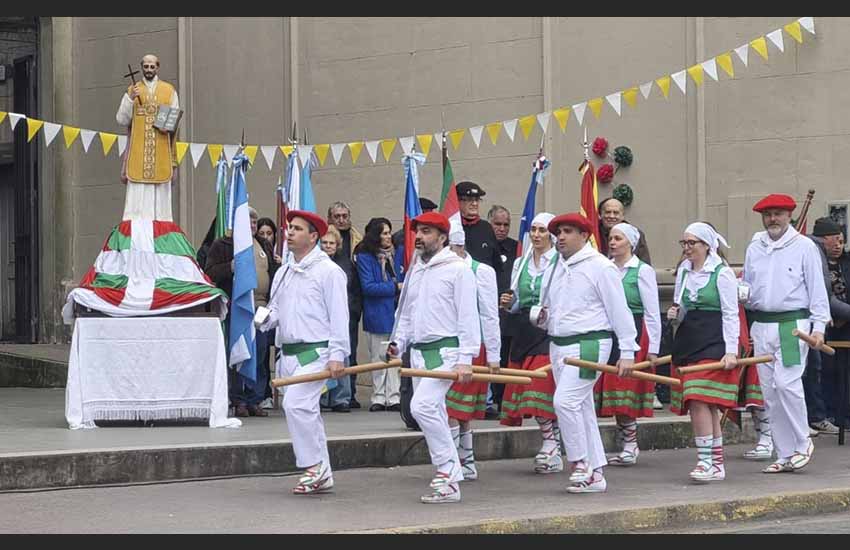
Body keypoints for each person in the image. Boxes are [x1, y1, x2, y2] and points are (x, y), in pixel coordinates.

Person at [537, 212, 638, 494]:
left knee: (565, 402)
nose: (561, 237)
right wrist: (544, 317)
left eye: (568, 231)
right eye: (558, 232)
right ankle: (596, 474)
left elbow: (620, 309)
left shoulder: (600, 267)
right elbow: (553, 306)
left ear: (584, 236)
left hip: (590, 344)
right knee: (581, 409)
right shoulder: (555, 266)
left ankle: (580, 462)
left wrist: (627, 350)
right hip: (558, 344)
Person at [388, 211, 480, 504]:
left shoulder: (458, 269)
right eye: (419, 231)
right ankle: (452, 478)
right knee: (433, 410)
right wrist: (397, 342)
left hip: (446, 352)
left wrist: (466, 357)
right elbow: (406, 312)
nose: (420, 237)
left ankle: (448, 469)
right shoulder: (416, 269)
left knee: (422, 407)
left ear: (442, 238)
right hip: (418, 354)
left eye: (427, 232)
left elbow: (468, 316)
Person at [259, 210, 349, 494]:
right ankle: (323, 471)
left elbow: (339, 316)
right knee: (306, 411)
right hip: (287, 354)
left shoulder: (329, 272)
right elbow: (276, 308)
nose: (289, 232)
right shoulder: (284, 271)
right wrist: (264, 319)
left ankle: (313, 467)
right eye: (289, 227)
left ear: (313, 237)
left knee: (296, 405)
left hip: (316, 353)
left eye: (297, 228)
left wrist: (338, 354)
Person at [742, 194, 830, 474]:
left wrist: (819, 328)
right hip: (762, 325)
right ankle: (783, 452)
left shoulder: (804, 247)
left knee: (787, 384)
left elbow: (817, 289)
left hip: (792, 326)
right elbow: (749, 285)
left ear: (789, 215)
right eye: (768, 215)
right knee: (769, 392)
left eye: (778, 214)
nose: (772, 219)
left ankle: (802, 441)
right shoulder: (755, 246)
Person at [667, 223, 739, 483]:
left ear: (707, 246)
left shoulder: (722, 274)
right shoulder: (684, 272)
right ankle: (716, 462)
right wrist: (675, 314)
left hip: (713, 342)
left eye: (692, 243)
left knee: (698, 398)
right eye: (684, 243)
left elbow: (731, 315)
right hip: (689, 342)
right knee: (703, 403)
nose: (686, 248)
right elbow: (681, 305)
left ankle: (705, 460)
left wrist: (731, 351)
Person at [499, 212, 564, 474]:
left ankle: (550, 443)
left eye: (542, 230)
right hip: (525, 328)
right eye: (533, 230)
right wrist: (509, 304)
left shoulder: (559, 261)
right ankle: (554, 445)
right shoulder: (521, 263)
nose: (536, 235)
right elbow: (517, 303)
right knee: (529, 389)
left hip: (549, 330)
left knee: (541, 388)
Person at [594, 223, 661, 466]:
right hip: (609, 331)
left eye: (618, 238)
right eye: (611, 238)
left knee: (626, 389)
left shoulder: (642, 271)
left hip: (634, 331)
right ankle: (626, 441)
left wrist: (653, 347)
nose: (612, 242)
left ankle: (631, 444)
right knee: (613, 388)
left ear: (630, 243)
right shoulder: (605, 269)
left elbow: (652, 311)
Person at [205, 207, 277, 417]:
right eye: (248, 222)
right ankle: (239, 400)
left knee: (260, 353)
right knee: (239, 355)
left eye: (255, 222)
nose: (253, 226)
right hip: (238, 308)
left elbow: (270, 272)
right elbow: (209, 272)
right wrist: (230, 267)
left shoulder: (263, 244)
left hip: (262, 308)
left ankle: (255, 399)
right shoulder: (223, 245)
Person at [444, 220, 501, 481]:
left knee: (457, 410)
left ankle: (459, 461)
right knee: (450, 408)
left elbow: (490, 315)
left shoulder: (482, 272)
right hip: (444, 345)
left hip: (469, 347)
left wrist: (494, 355)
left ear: (459, 246)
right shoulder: (440, 269)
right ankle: (464, 461)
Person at [116, 53, 180, 222]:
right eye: (146, 66)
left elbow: (173, 120)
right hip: (139, 154)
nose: (149, 69)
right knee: (137, 202)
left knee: (161, 206)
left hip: (161, 153)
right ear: (142, 67)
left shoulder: (169, 90)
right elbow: (121, 119)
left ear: (157, 67)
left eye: (152, 66)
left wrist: (163, 121)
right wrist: (130, 99)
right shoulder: (133, 89)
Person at [355, 218, 402, 412]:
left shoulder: (397, 253)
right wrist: (394, 286)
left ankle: (394, 396)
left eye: (389, 232)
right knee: (378, 356)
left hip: (396, 312)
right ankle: (378, 396)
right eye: (383, 233)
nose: (388, 236)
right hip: (377, 312)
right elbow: (368, 286)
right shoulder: (365, 256)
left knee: (395, 356)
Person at [809, 218, 850, 433]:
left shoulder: (839, 260)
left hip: (828, 320)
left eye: (841, 241)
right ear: (824, 238)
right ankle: (818, 415)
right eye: (834, 240)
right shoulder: (814, 254)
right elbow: (824, 293)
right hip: (817, 322)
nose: (838, 245)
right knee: (817, 370)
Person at [318, 225, 361, 413]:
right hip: (320, 318)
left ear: (338, 246)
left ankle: (341, 397)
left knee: (342, 354)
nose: (328, 246)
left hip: (343, 314)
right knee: (322, 357)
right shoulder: (316, 265)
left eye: (331, 243)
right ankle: (322, 396)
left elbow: (353, 288)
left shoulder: (344, 265)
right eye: (324, 243)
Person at [326, 201, 364, 408]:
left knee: (350, 351)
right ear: (329, 218)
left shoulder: (358, 241)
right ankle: (329, 395)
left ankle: (349, 393)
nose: (341, 220)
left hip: (351, 305)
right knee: (331, 352)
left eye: (344, 216)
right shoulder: (325, 241)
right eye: (337, 216)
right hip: (328, 309)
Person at [488, 205, 518, 414]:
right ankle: (489, 400)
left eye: (506, 224)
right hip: (488, 312)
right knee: (491, 357)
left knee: (506, 357)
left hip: (509, 314)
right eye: (497, 224)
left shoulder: (517, 248)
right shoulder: (483, 246)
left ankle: (504, 399)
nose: (502, 228)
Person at [597, 198, 651, 265]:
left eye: (616, 213)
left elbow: (644, 262)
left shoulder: (635, 234)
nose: (611, 216)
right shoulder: (593, 234)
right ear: (600, 215)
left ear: (623, 216)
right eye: (608, 212)